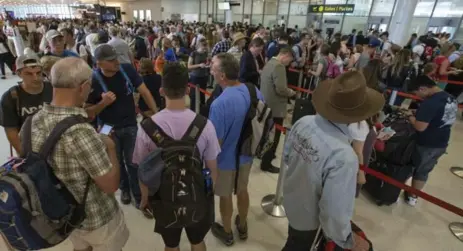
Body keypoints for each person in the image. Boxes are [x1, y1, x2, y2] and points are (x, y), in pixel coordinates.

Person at [26, 57, 129, 251]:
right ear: (84, 87)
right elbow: (110, 185)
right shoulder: (81, 132)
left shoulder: (33, 121)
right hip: (95, 218)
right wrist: (111, 148)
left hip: (62, 214)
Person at [282, 71, 385, 251]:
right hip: (310, 220)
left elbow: (287, 157)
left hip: (292, 201)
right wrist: (346, 239)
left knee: (293, 241)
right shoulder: (343, 156)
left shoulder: (303, 122)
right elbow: (333, 212)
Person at [133, 62, 220, 251]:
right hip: (197, 196)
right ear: (188, 89)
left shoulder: (147, 127)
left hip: (164, 198)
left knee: (171, 244)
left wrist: (145, 198)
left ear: (162, 91)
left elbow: (143, 171)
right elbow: (213, 169)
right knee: (197, 241)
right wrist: (207, 195)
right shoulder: (204, 125)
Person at [85, 44, 158, 217]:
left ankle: (139, 196)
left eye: (116, 58)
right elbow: (88, 113)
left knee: (134, 162)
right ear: (100, 63)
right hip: (107, 129)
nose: (116, 62)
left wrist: (156, 114)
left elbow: (145, 92)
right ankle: (124, 189)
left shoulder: (127, 70)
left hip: (130, 125)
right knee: (115, 163)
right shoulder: (92, 80)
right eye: (111, 60)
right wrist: (103, 103)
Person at [209, 53, 264, 246]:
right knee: (242, 189)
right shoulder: (253, 90)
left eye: (213, 68)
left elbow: (217, 142)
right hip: (246, 155)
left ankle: (226, 232)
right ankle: (242, 224)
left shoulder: (219, 104)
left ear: (222, 75)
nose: (211, 71)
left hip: (225, 160)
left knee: (225, 194)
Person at [405, 75, 458, 206]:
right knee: (425, 170)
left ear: (422, 88)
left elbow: (420, 127)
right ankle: (413, 196)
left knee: (417, 169)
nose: (417, 96)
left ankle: (410, 195)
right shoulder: (450, 98)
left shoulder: (429, 103)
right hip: (441, 141)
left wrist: (410, 116)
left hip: (426, 143)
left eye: (416, 92)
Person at [0, 54, 53, 156]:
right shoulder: (10, 97)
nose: (35, 78)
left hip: (55, 142)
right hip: (29, 147)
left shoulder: (53, 88)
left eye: (38, 73)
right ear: (19, 74)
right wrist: (23, 155)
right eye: (29, 74)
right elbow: (11, 130)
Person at [260, 47, 295, 173]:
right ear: (285, 55)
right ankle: (266, 163)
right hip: (276, 107)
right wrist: (292, 93)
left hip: (266, 104)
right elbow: (281, 89)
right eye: (290, 60)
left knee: (266, 134)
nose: (289, 63)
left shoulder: (269, 63)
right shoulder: (279, 67)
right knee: (274, 137)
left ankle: (263, 155)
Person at [188, 39, 210, 112]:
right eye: (203, 45)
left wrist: (208, 64)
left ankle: (202, 111)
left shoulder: (206, 53)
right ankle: (192, 111)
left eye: (205, 45)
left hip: (204, 76)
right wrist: (199, 65)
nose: (204, 47)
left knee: (202, 95)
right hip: (195, 77)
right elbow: (189, 66)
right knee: (193, 96)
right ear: (198, 45)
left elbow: (206, 62)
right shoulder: (193, 53)